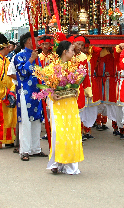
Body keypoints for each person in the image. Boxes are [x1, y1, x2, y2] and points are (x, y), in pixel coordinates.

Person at [46, 40, 84, 175]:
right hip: (57, 105)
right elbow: (48, 86)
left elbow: (77, 86)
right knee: (58, 133)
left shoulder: (74, 67)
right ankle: (56, 162)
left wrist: (75, 90)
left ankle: (70, 165)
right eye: (72, 50)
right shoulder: (52, 67)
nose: (74, 53)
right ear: (64, 52)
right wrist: (52, 95)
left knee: (71, 133)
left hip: (71, 104)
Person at [13, 32, 47, 161]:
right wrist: (31, 60)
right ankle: (25, 150)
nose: (38, 42)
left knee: (37, 121)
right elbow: (21, 73)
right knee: (26, 122)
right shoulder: (19, 56)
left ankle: (35, 148)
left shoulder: (39, 56)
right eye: (36, 40)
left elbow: (41, 75)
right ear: (28, 41)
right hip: (25, 92)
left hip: (37, 92)